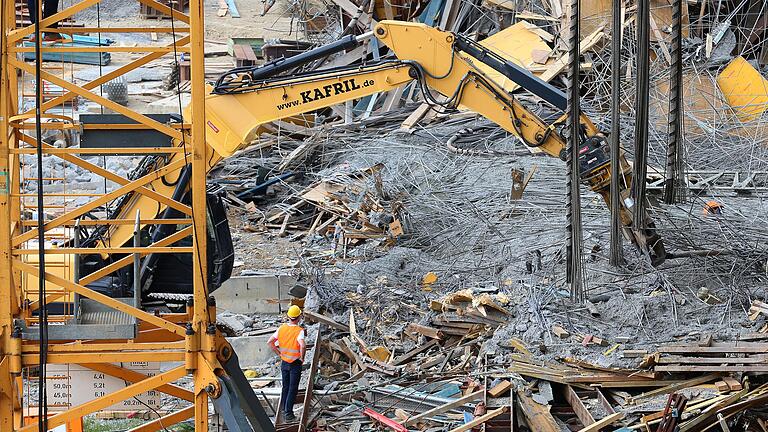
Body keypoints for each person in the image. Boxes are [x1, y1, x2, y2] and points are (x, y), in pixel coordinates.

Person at [267, 305, 306, 422]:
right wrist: (302, 358)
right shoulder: (299, 331)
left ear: (288, 317)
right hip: (295, 363)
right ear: (299, 317)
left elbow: (270, 342)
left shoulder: (281, 328)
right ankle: (288, 414)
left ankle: (284, 409)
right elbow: (303, 345)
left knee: (285, 387)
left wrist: (279, 353)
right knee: (293, 388)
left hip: (284, 362)